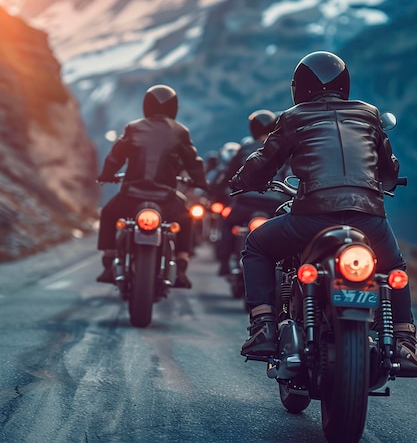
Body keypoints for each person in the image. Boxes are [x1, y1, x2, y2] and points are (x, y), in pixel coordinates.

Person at [230, 51, 417, 375]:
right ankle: (404, 339)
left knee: (257, 246)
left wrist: (242, 182)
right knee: (394, 267)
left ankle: (263, 326)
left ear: (299, 86)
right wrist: (386, 179)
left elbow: (265, 161)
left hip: (312, 217)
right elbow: (387, 165)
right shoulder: (369, 114)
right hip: (368, 218)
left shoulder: (293, 117)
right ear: (344, 84)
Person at [96, 84, 208, 288]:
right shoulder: (180, 131)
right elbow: (193, 162)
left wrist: (106, 175)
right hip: (166, 199)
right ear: (174, 107)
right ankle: (181, 266)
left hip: (131, 197)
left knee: (108, 213)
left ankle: (108, 261)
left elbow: (116, 156)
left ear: (146, 105)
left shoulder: (133, 128)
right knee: (186, 219)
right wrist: (201, 182)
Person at [211, 110, 283, 276]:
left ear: (253, 129)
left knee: (228, 223)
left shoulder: (244, 149)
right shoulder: (281, 148)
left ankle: (224, 264)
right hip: (273, 204)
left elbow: (229, 174)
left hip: (245, 203)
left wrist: (217, 189)